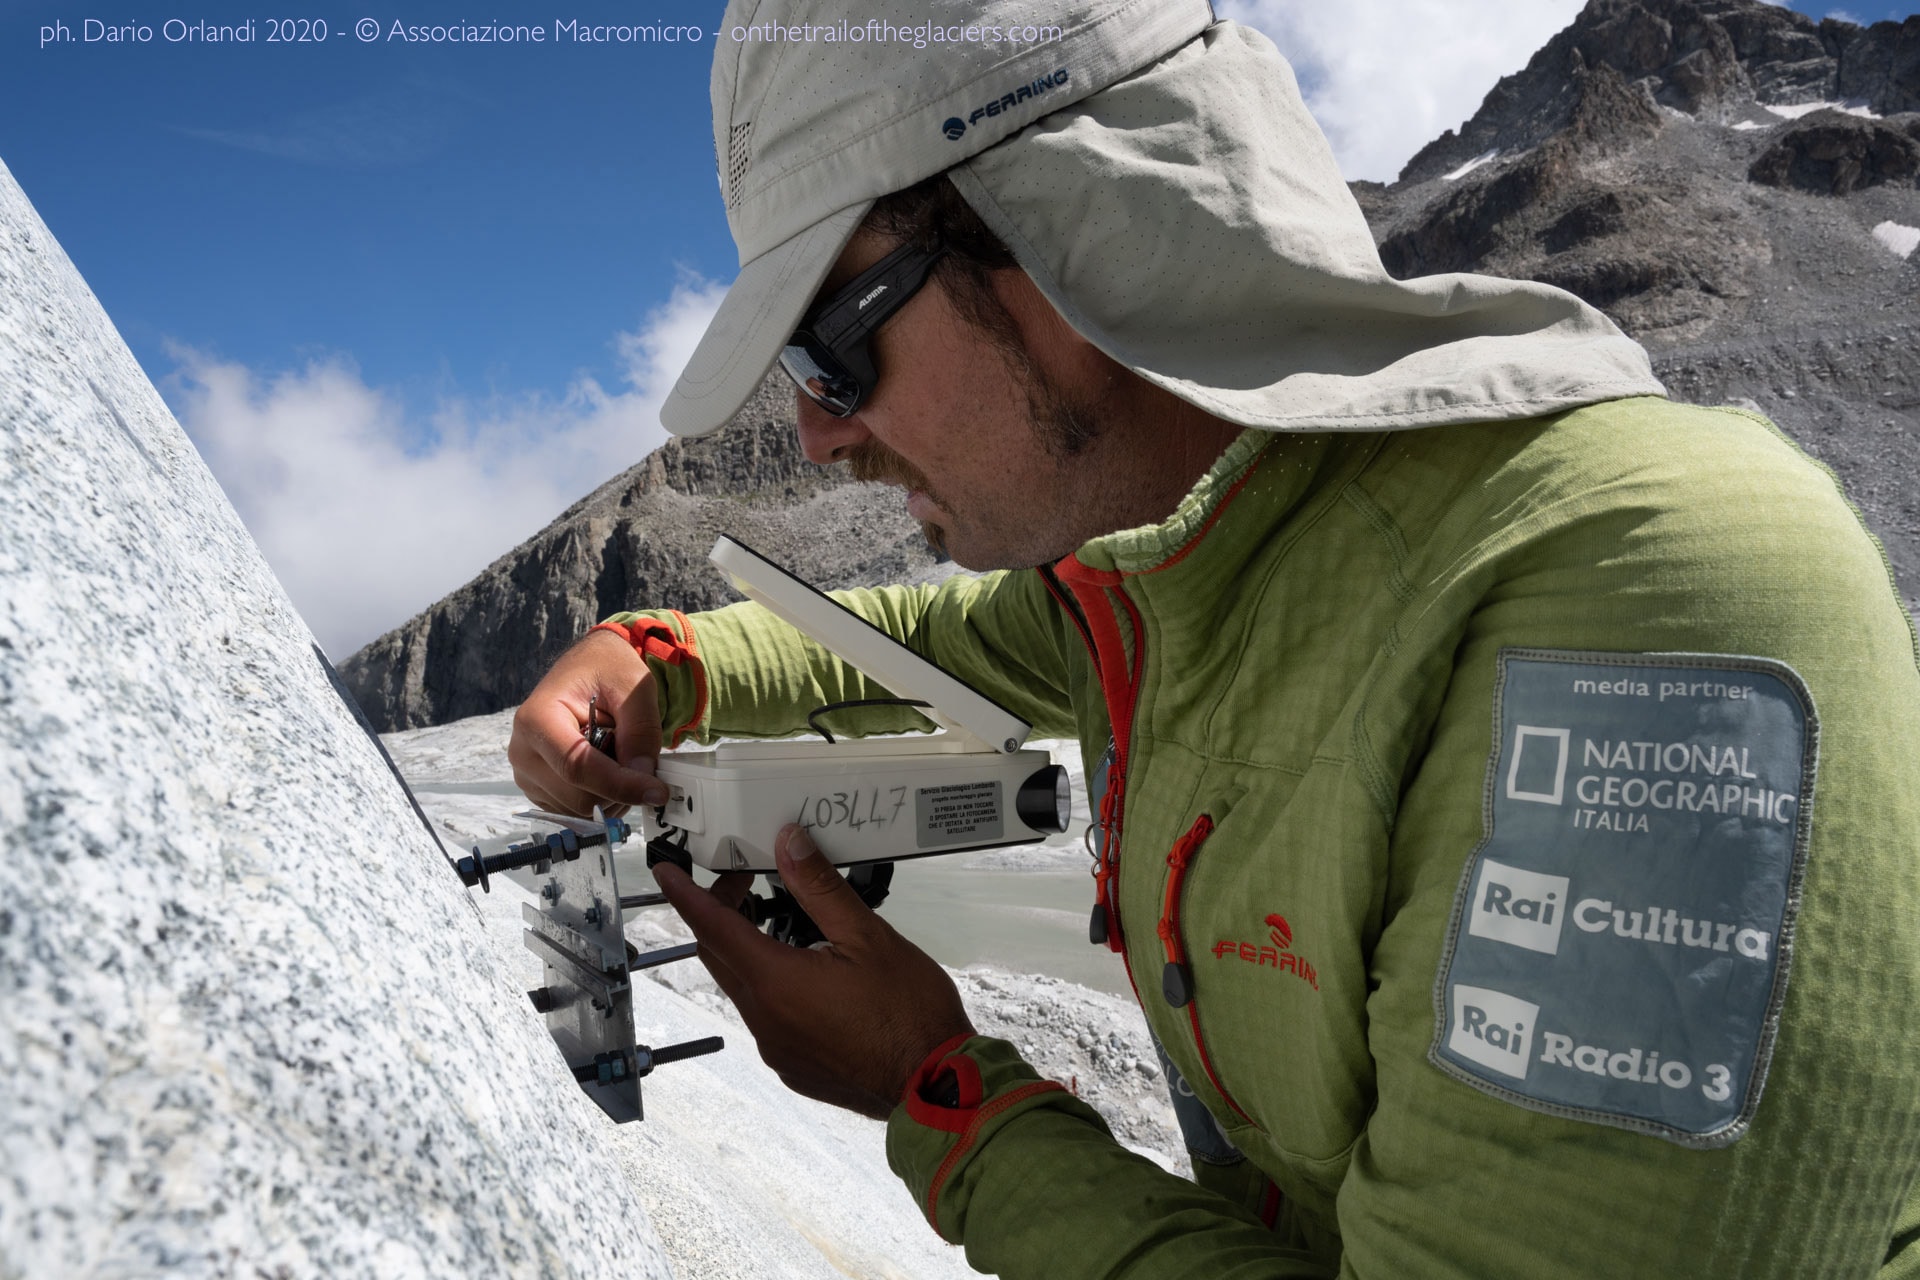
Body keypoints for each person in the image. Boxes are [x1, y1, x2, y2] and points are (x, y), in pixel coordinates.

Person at [507, 1, 1920, 1274]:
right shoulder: (1171, 567)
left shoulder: (1648, 600)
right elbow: (934, 636)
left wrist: (942, 1090)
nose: (817, 431)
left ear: (1063, 229)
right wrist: (665, 658)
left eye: (832, 344)